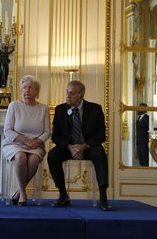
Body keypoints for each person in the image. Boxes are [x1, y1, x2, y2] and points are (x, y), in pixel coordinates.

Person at [47, 80, 111, 211]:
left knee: (100, 154)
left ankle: (103, 198)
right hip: (68, 148)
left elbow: (101, 135)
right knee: (53, 155)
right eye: (67, 92)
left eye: (72, 93)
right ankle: (63, 196)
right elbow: (56, 136)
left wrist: (84, 146)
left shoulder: (95, 109)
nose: (68, 96)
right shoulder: (60, 109)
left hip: (89, 147)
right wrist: (70, 147)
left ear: (81, 95)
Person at [2, 75, 50, 206]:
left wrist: (36, 142)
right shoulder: (14, 105)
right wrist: (24, 140)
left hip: (36, 145)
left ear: (36, 91)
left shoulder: (43, 108)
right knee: (21, 157)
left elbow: (47, 132)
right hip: (15, 143)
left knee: (34, 159)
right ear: (21, 90)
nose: (27, 90)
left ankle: (18, 191)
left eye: (30, 87)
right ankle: (23, 193)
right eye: (24, 88)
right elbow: (7, 130)